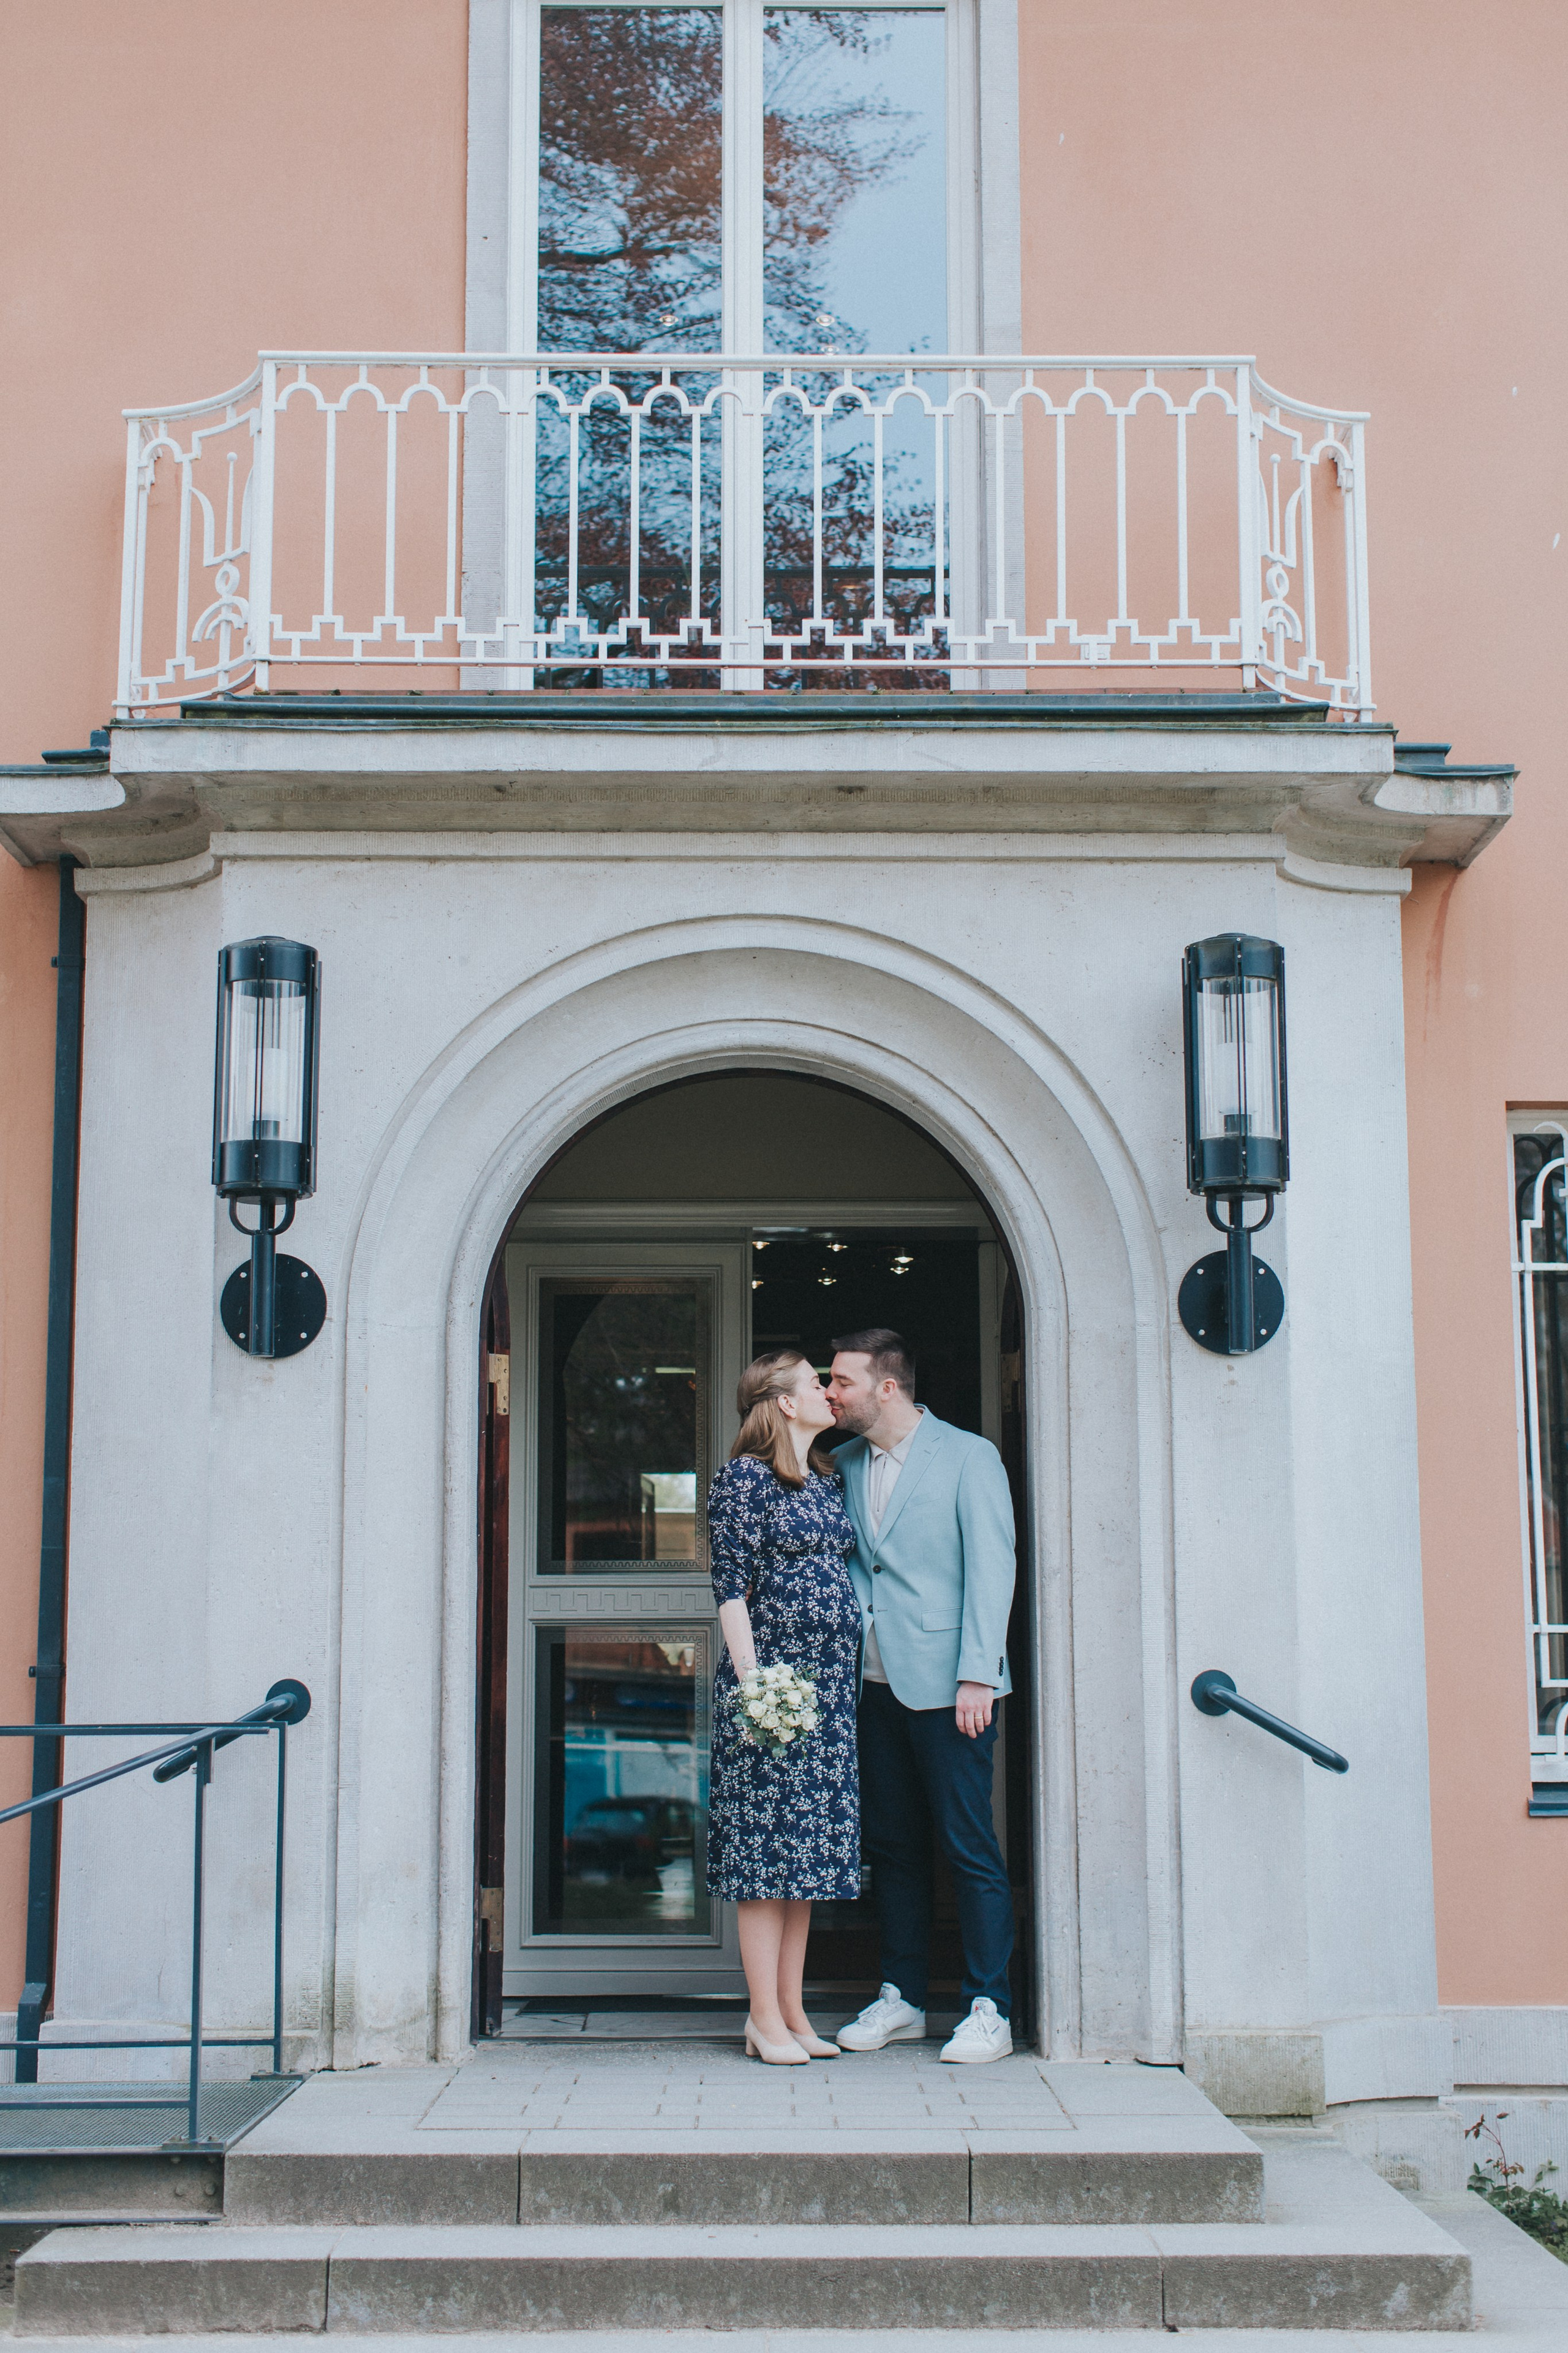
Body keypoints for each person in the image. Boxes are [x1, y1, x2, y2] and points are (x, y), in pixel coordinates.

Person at [826, 1328, 1017, 2064]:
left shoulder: (969, 1456)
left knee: (968, 1845)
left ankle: (989, 2006)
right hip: (870, 1687)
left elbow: (992, 1566)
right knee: (892, 1847)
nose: (831, 1392)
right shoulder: (843, 1461)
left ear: (887, 1387)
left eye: (841, 1380)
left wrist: (978, 1673)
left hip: (951, 1688)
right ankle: (901, 1998)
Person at [706, 1349, 864, 2064]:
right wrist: (754, 1686)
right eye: (816, 1383)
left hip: (827, 1692)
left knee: (803, 1858)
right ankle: (762, 2018)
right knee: (765, 1858)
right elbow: (729, 1587)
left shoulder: (825, 1479)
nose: (829, 1391)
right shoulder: (745, 1478)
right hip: (773, 1694)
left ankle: (794, 2012)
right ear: (785, 1403)